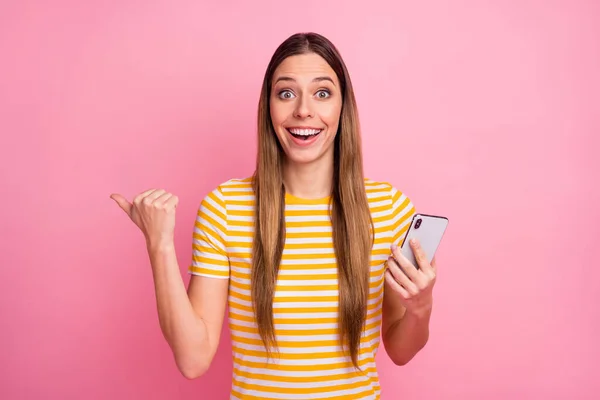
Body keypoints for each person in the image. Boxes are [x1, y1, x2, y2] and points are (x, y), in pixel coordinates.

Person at [111, 32, 438, 400]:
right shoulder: (225, 209)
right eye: (286, 93)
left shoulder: (390, 209)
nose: (303, 110)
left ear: (343, 107)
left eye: (322, 93)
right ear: (268, 106)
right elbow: (193, 359)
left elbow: (401, 351)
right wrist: (159, 246)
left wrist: (420, 306)